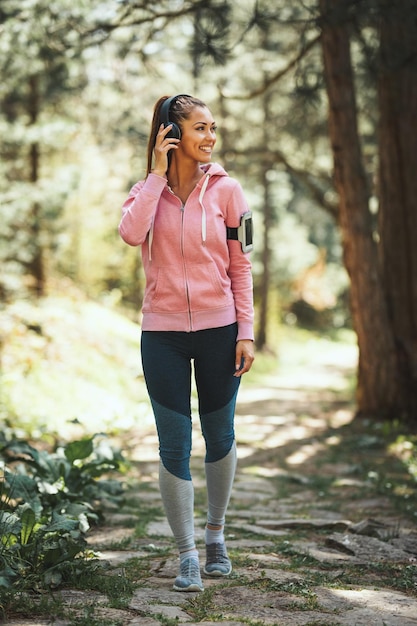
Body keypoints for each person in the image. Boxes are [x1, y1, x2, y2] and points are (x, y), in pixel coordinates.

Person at [119, 94, 254, 592]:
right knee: (173, 445)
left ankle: (215, 536)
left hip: (220, 333)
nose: (210, 137)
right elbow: (131, 235)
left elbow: (241, 266)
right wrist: (156, 175)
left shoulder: (228, 191)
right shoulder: (144, 192)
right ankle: (188, 555)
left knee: (220, 437)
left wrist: (246, 332)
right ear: (170, 135)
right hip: (162, 335)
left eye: (212, 128)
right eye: (199, 128)